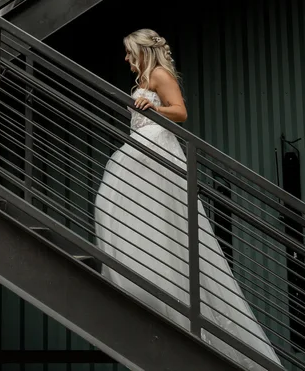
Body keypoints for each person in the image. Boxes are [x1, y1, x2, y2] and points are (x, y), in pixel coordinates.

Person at [94, 29, 282, 370]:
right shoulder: (145, 77)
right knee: (129, 211)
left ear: (142, 51)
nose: (126, 58)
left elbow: (180, 112)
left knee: (160, 218)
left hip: (157, 148)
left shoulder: (159, 74)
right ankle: (145, 281)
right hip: (141, 147)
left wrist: (154, 106)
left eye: (129, 52)